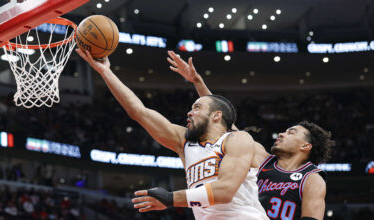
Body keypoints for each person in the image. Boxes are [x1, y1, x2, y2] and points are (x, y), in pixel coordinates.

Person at [132, 51, 334, 220]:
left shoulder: (311, 178)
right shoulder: (262, 159)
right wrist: (197, 81)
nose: (282, 133)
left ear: (305, 146)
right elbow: (223, 124)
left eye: (291, 132)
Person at [75, 49, 269, 220]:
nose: (189, 112)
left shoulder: (238, 139)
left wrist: (170, 198)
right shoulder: (185, 143)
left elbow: (225, 191)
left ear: (217, 116)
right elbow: (138, 111)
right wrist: (105, 71)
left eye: (197, 107)